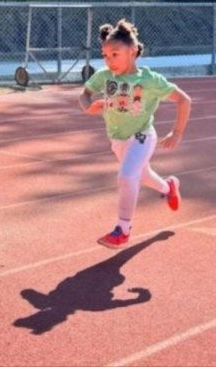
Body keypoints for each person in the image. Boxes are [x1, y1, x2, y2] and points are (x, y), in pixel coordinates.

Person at [79, 19, 192, 248]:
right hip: (117, 140)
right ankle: (169, 187)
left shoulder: (148, 80)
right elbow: (84, 94)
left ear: (132, 52)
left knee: (126, 176)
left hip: (142, 136)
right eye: (105, 55)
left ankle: (123, 229)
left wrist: (177, 133)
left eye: (115, 54)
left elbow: (184, 100)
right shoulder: (104, 76)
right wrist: (87, 106)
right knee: (142, 176)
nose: (109, 61)